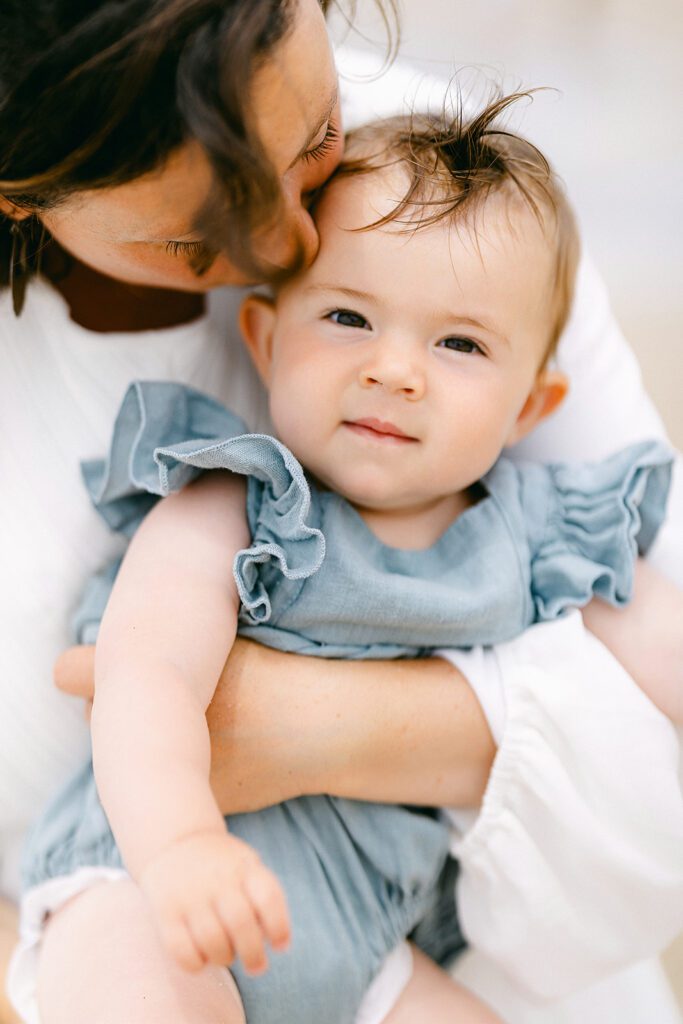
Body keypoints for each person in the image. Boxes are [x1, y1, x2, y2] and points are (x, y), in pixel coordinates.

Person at [1, 2, 682, 1022]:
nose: (294, 240)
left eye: (316, 141)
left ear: (530, 406)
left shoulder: (462, 208)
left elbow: (654, 639)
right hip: (154, 895)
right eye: (199, 238)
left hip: (368, 936)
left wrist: (325, 728)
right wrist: (181, 843)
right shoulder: (240, 497)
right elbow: (145, 669)